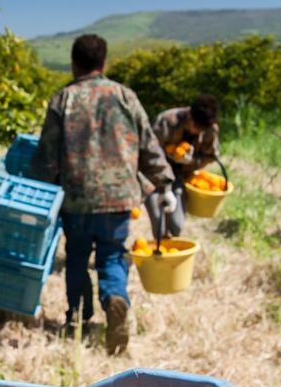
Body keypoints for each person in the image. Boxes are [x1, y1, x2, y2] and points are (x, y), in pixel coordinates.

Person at [29, 34, 177, 354]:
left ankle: (77, 318)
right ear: (103, 63)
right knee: (112, 254)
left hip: (77, 198)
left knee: (78, 257)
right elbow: (149, 145)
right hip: (119, 197)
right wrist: (164, 184)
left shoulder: (63, 99)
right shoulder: (125, 96)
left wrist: (34, 186)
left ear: (74, 63)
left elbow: (47, 154)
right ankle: (115, 298)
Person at [144, 94, 221, 238]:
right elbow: (148, 154)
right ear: (189, 115)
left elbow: (211, 156)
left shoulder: (210, 128)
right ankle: (162, 253)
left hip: (179, 177)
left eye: (201, 129)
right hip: (155, 178)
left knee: (177, 226)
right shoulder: (166, 121)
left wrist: (191, 161)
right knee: (160, 230)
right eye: (196, 126)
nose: (197, 131)